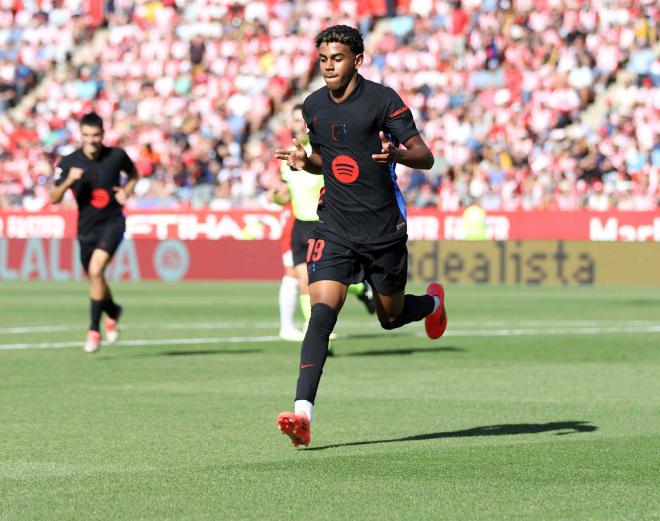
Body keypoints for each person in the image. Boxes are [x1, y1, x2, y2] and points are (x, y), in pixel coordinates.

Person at [273, 26, 447, 447]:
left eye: (337, 57)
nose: (329, 65)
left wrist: (398, 154)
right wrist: (305, 161)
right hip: (333, 225)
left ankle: (432, 303)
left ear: (357, 60)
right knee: (321, 314)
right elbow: (327, 161)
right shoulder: (313, 106)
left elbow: (426, 156)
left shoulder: (383, 99)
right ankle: (302, 415)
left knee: (389, 317)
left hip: (383, 227)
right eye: (324, 59)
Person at [271, 103, 376, 344]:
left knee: (322, 281)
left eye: (300, 121)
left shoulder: (323, 154)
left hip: (322, 224)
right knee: (304, 283)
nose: (296, 125)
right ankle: (317, 327)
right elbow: (287, 193)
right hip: (299, 225)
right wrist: (276, 196)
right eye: (293, 121)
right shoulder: (287, 155)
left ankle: (318, 327)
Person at [50, 112, 138, 353]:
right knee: (95, 278)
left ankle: (93, 330)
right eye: (87, 135)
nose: (91, 140)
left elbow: (134, 174)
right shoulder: (68, 162)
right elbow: (54, 198)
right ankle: (113, 310)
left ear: (103, 134)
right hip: (86, 228)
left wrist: (127, 190)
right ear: (81, 134)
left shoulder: (116, 156)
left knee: (97, 270)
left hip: (112, 223)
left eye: (96, 135)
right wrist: (69, 181)